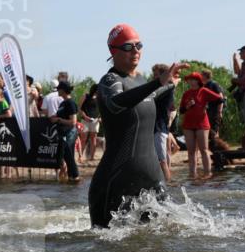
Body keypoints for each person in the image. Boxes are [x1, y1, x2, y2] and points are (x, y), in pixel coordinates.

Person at [89, 23, 189, 228]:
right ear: (113, 51)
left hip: (152, 179)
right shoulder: (109, 80)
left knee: (170, 235)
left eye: (139, 45)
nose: (135, 51)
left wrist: (169, 84)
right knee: (105, 242)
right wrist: (158, 82)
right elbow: (117, 103)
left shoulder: (142, 82)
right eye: (128, 47)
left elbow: (150, 96)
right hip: (115, 181)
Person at [178, 72, 223, 178]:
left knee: (204, 150)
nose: (190, 81)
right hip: (188, 124)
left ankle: (208, 173)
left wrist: (208, 107)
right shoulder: (186, 93)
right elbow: (181, 110)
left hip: (202, 124)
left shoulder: (204, 90)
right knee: (191, 151)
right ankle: (192, 175)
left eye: (192, 79)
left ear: (198, 81)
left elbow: (220, 99)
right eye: (189, 79)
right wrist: (188, 106)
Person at [151, 64, 177, 183]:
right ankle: (163, 183)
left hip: (160, 128)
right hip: (157, 128)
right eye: (154, 75)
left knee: (162, 161)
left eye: (156, 75)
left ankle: (168, 185)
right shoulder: (162, 88)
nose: (154, 77)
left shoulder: (166, 89)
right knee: (161, 159)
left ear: (163, 75)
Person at [51, 81, 79, 181]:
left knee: (69, 156)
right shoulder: (63, 103)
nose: (57, 91)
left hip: (69, 133)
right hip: (63, 133)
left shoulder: (70, 103)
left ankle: (75, 177)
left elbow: (73, 122)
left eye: (58, 89)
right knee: (66, 156)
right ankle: (71, 179)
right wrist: (55, 117)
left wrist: (58, 119)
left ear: (63, 90)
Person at [200, 69, 225, 149]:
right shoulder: (204, 86)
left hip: (215, 111)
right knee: (210, 131)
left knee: (215, 131)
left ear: (205, 76)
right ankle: (214, 148)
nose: (200, 76)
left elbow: (221, 98)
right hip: (208, 112)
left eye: (201, 75)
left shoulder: (213, 84)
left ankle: (218, 149)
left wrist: (219, 112)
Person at [78, 83, 100, 161]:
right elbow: (79, 108)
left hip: (95, 121)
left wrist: (100, 118)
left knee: (93, 139)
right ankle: (80, 156)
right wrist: (85, 116)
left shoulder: (100, 98)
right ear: (95, 89)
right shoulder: (85, 96)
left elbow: (102, 110)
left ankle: (92, 157)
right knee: (83, 139)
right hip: (85, 120)